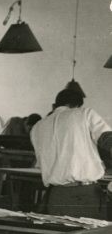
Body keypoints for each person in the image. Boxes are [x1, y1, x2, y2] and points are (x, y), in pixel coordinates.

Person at [30, 88, 112, 219]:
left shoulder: (37, 127)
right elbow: (107, 139)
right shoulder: (84, 113)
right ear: (77, 105)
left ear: (56, 104)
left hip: (55, 195)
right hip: (84, 194)